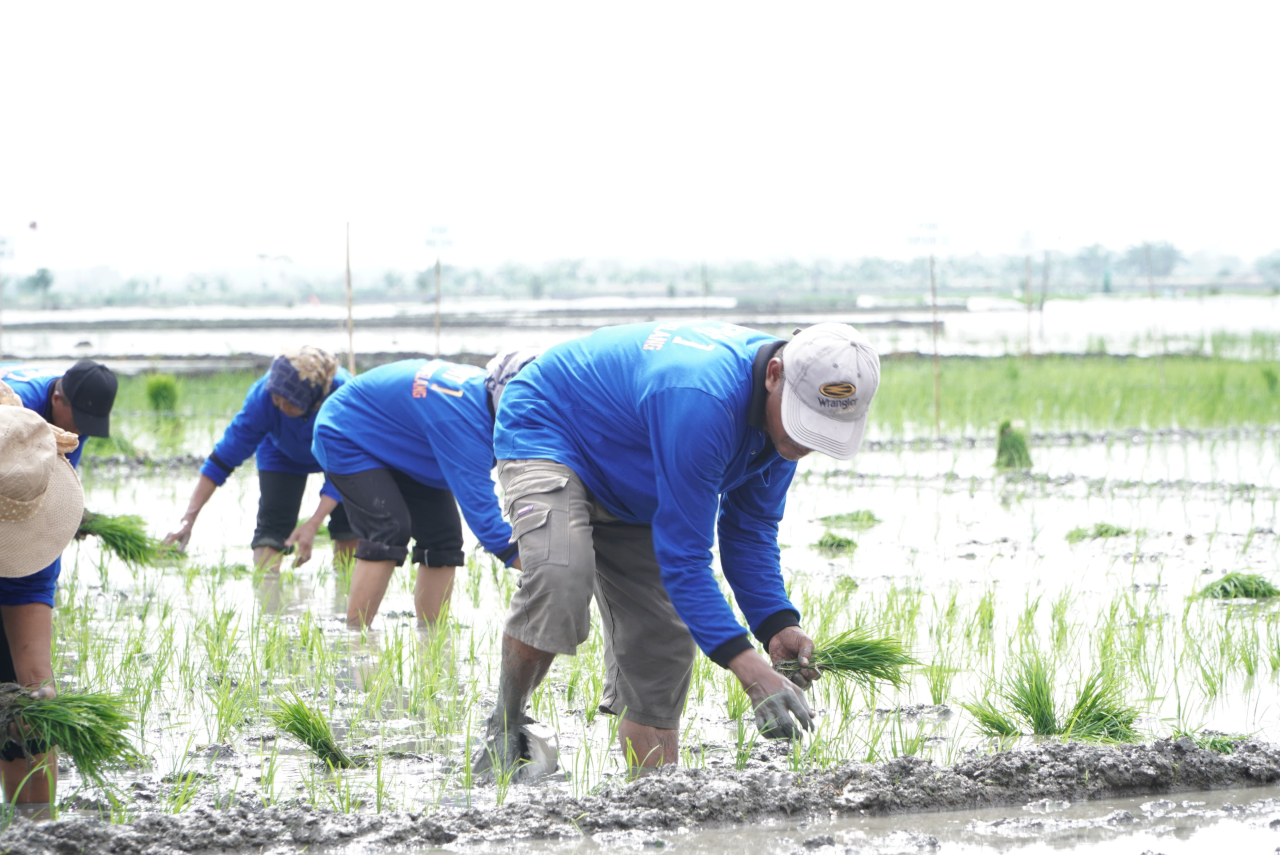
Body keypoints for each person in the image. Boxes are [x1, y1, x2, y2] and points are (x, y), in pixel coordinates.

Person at [476, 320, 880, 777]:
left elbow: (749, 530)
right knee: (560, 575)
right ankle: (507, 722)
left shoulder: (783, 433)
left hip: (640, 470)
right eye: (801, 420)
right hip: (554, 430)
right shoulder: (703, 399)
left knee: (664, 648)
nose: (806, 443)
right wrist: (748, 668)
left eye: (822, 431)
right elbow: (685, 558)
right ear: (774, 375)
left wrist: (776, 625)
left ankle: (654, 793)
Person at [312, 357, 525, 627]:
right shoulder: (464, 423)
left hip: (407, 439)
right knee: (388, 529)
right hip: (347, 433)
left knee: (443, 538)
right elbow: (487, 522)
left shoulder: (490, 393)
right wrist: (542, 569)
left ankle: (432, 637)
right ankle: (356, 635)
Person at [164, 347, 357, 571]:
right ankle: (267, 588)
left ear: (310, 400)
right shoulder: (264, 398)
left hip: (338, 456)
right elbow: (223, 458)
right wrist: (187, 520)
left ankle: (345, 584)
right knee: (272, 527)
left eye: (290, 403)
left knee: (349, 520)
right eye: (277, 399)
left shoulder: (343, 399)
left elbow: (346, 469)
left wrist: (314, 523)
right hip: (280, 453)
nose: (281, 408)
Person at [0, 382, 86, 805]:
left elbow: (33, 673)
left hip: (22, 579)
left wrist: (37, 693)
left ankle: (35, 825)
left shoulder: (33, 541)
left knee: (21, 704)